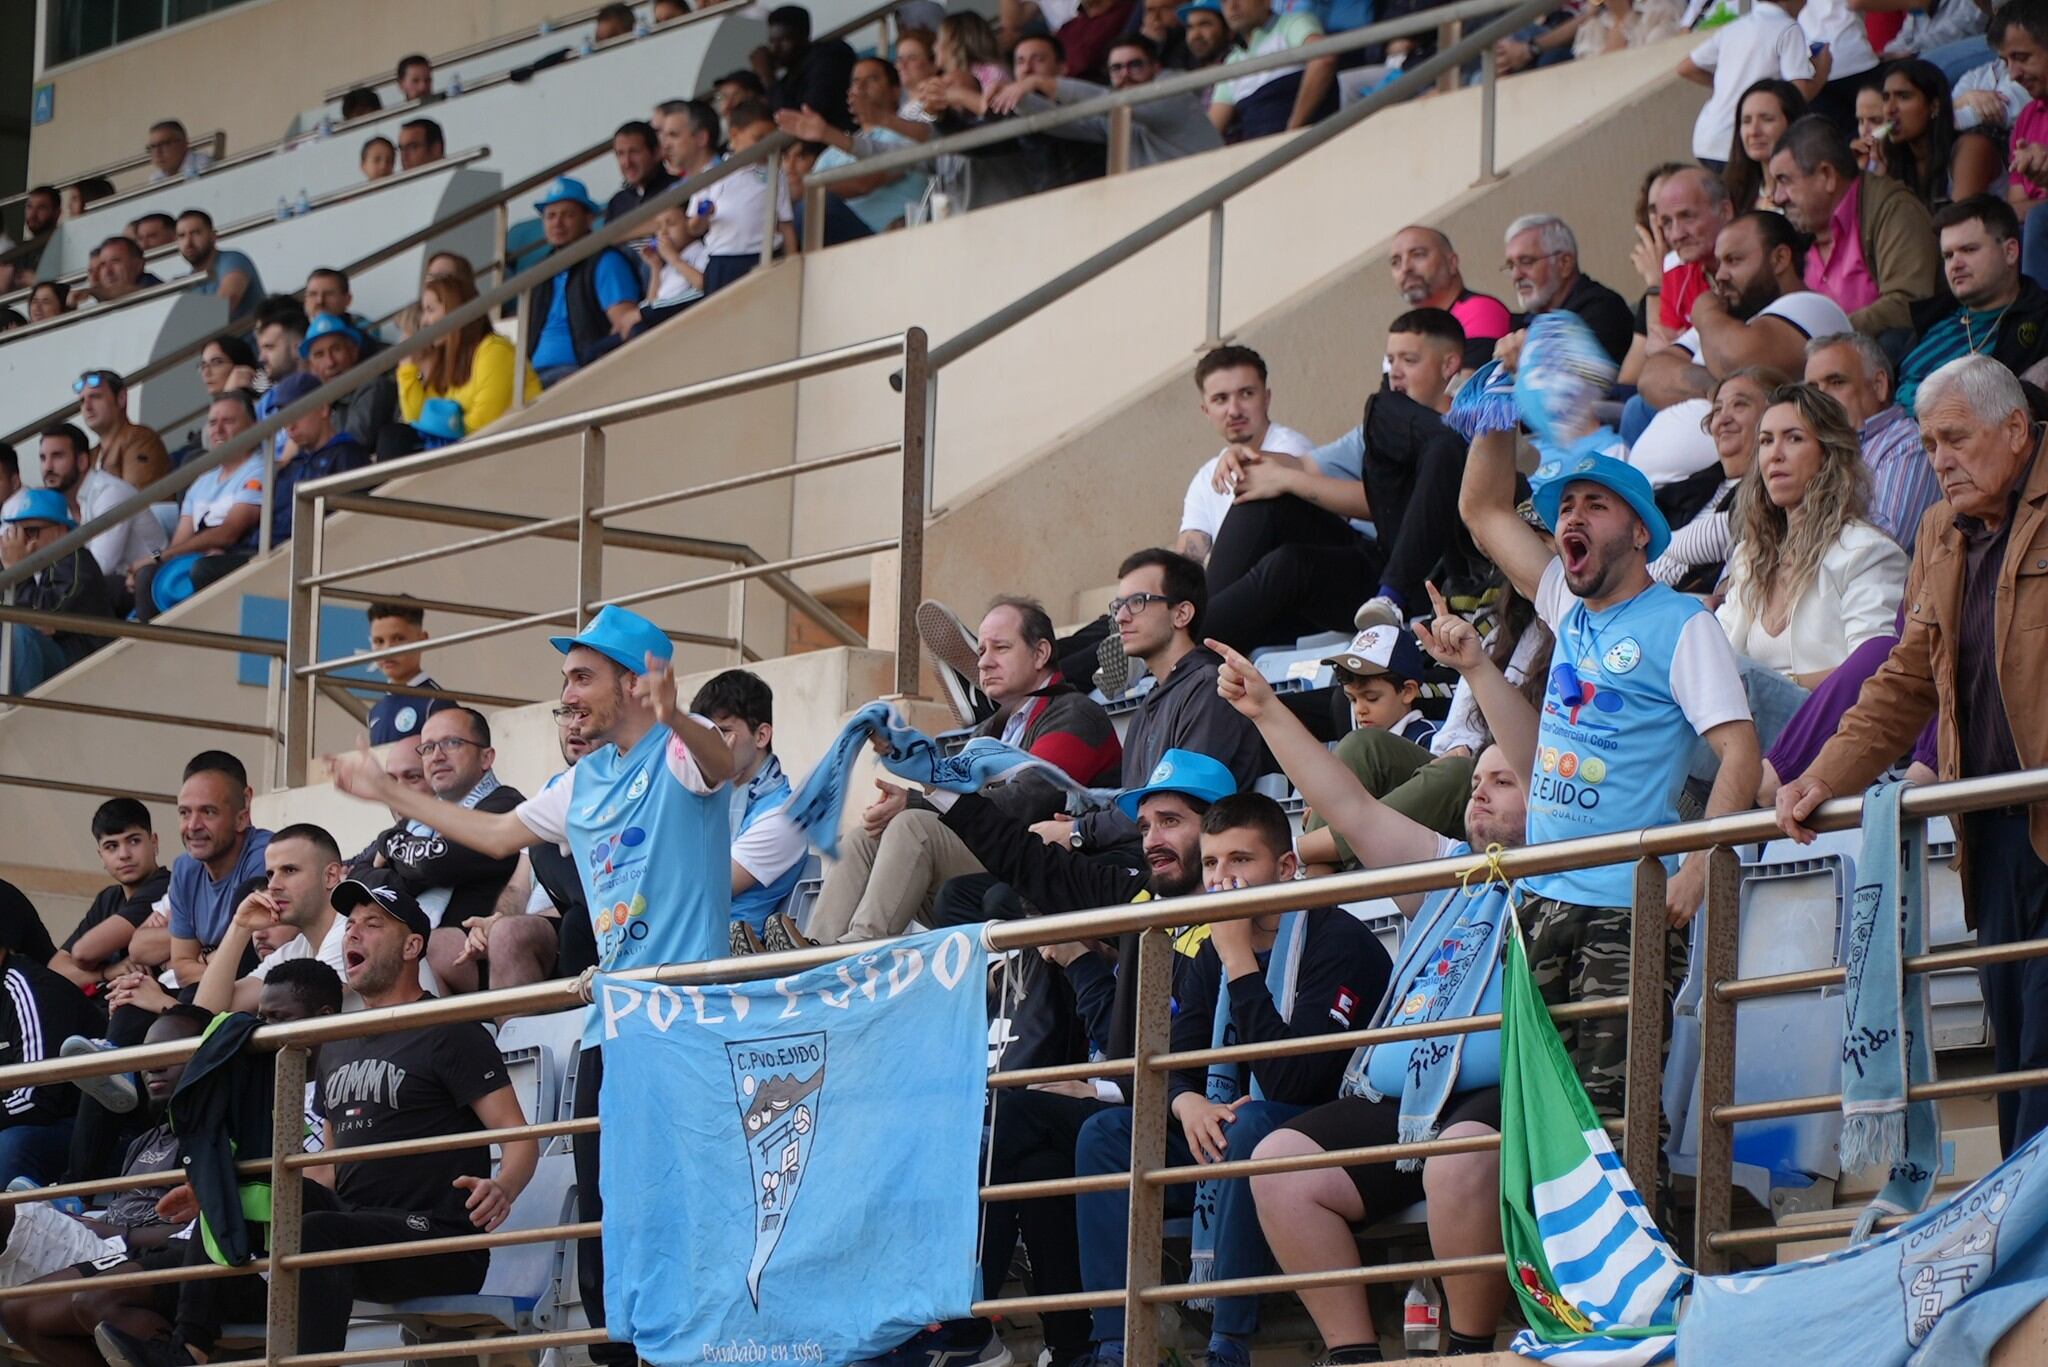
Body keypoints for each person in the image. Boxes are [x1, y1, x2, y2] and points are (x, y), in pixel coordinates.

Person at [326, 603, 736, 1367]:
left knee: (683, 1210)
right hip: (612, 1026)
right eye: (566, 678)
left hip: (686, 1027)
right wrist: (388, 791)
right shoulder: (581, 781)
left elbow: (725, 764)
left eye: (582, 675)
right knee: (606, 1215)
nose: (570, 691)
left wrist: (676, 710)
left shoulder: (676, 753)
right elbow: (490, 833)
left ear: (633, 681)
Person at [1215, 622, 1533, 1363]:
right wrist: (1266, 710)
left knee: (1458, 1159)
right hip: (1401, 1096)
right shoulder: (1451, 863)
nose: (1479, 790)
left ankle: (1466, 1349)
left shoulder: (1565, 868)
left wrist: (1480, 668)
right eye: (1476, 779)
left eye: (1502, 779)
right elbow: (1349, 807)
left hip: (1496, 1093)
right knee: (1280, 1162)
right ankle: (1353, 1354)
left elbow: (1546, 764)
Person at [95, 869, 540, 1364]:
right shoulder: (336, 1045)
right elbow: (326, 1172)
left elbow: (519, 1136)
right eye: (350, 922)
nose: (353, 932)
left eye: (373, 924)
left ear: (413, 946)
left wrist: (505, 1185)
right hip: (352, 1223)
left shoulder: (449, 1031)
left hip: (435, 1238)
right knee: (233, 1194)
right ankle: (190, 1350)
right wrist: (221, 1188)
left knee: (318, 1234)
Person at [1777, 354, 2048, 1154]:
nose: (1941, 460)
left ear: (2017, 429)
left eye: (1957, 438)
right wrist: (1821, 775)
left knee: (2041, 1050)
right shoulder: (1938, 529)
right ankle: (2020, 1254)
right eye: (1929, 444)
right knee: (2015, 1049)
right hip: (1988, 833)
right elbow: (1904, 680)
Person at [1459, 419, 1759, 1119]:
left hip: (1623, 910)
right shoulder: (1566, 604)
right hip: (1538, 902)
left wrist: (1699, 864)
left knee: (1615, 1124)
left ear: (1641, 532)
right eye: (1565, 506)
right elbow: (1482, 511)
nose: (1572, 516)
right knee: (1541, 1125)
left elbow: (1741, 750)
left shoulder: (1683, 624)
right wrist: (1494, 417)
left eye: (1594, 505)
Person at [797, 597, 1122, 947]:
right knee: (864, 837)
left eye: (1000, 648)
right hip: (995, 856)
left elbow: (1026, 802)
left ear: (1041, 653)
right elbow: (962, 794)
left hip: (1047, 863)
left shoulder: (1074, 714)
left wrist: (915, 804)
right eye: (981, 651)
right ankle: (810, 954)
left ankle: (856, 952)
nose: (983, 662)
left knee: (912, 827)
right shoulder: (991, 728)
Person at [1716, 383, 1909, 719]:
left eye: (1793, 438)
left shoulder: (1867, 553)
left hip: (1832, 739)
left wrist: (1772, 688)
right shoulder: (1750, 556)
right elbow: (1715, 659)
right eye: (1765, 441)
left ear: (1828, 455)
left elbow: (1874, 673)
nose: (1775, 454)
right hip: (1747, 740)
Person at [1056, 549, 1267, 854]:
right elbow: (1139, 804)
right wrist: (1080, 823)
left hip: (1186, 863)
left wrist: (1079, 831)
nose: (1120, 617)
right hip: (1144, 850)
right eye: (1118, 605)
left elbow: (1175, 807)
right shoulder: (1151, 702)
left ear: (1182, 614)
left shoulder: (1209, 688)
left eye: (1137, 602)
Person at [1633, 211, 1854, 486]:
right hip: (1675, 497)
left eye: (1734, 261)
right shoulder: (1725, 323)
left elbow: (1733, 360)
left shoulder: (1811, 307)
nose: (1721, 275)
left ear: (1780, 259)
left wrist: (1702, 311)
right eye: (1719, 263)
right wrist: (1726, 390)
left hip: (1735, 492)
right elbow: (1651, 377)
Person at [367, 707, 525, 983]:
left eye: (452, 743)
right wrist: (405, 868)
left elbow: (434, 864)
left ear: (486, 757)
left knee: (418, 949)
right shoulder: (418, 820)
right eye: (427, 748)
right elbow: (363, 878)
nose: (437, 756)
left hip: (476, 960)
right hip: (428, 960)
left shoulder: (505, 806)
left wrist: (389, 843)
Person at [1769, 114, 1941, 333]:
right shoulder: (1797, 234)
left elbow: (1908, 303)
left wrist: (1822, 339)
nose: (1777, 197)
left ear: (1827, 175)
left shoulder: (1895, 210)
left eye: (1785, 181)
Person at [687, 671, 811, 950]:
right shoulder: (708, 794)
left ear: (761, 735)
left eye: (724, 732)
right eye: (705, 734)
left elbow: (699, 889)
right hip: (684, 945)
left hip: (722, 955)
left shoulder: (785, 818)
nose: (711, 745)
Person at [1896, 195, 2048, 412]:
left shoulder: (2041, 320)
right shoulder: (1934, 317)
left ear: (2010, 252)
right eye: (1948, 255)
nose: (1955, 265)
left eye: (1969, 250)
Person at [1177, 345, 1319, 568]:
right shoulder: (1204, 477)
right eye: (1221, 399)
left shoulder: (1292, 451)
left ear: (1266, 398)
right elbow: (1187, 563)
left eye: (1246, 394)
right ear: (1206, 411)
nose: (1234, 410)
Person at [1803, 331, 1943, 550]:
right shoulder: (1811, 448)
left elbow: (1883, 544)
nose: (1820, 398)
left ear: (1878, 385)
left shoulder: (1906, 445)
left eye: (1836, 382)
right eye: (1812, 389)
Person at [129, 392, 263, 621]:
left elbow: (229, 533)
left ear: (252, 427)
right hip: (199, 560)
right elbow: (180, 542)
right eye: (212, 423)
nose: (218, 430)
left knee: (198, 568)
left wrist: (161, 557)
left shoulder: (260, 469)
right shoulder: (202, 481)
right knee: (148, 575)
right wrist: (158, 561)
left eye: (228, 421)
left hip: (239, 557)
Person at [1649, 366, 1785, 589]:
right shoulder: (1693, 485)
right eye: (1717, 409)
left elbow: (1704, 541)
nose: (1723, 419)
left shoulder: (1770, 492)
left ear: (1774, 415)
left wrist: (1646, 545)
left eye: (1739, 404)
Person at [776, 59, 933, 240]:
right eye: (856, 81)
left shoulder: (907, 132)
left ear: (895, 91)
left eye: (872, 79)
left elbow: (865, 181)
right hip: (839, 242)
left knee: (817, 205)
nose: (861, 86)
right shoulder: (831, 153)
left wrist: (809, 188)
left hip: (886, 236)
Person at [161, 752, 272, 989]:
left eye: (208, 812)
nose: (193, 826)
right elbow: (181, 968)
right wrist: (217, 960)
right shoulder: (185, 867)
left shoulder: (267, 855)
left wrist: (202, 958)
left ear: (241, 819)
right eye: (184, 813)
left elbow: (248, 964)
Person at [396, 273, 538, 449]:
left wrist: (441, 430)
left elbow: (483, 422)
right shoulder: (449, 359)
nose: (424, 321)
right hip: (468, 449)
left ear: (455, 310)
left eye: (431, 310)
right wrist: (407, 367)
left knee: (396, 440)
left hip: (508, 446)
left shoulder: (495, 351)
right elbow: (418, 417)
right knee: (395, 436)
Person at [523, 177, 641, 386]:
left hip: (577, 374)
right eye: (551, 216)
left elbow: (627, 323)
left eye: (568, 215)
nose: (557, 223)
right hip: (531, 378)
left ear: (588, 219)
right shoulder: (539, 272)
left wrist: (592, 371)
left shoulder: (606, 261)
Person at [1678, 0, 1824, 166]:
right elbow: (1799, 95)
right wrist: (1822, 72)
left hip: (1707, 139)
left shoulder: (1732, 29)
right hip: (1743, 143)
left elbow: (1686, 68)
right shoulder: (1787, 28)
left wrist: (1727, 84)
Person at [49, 799, 171, 993]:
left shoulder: (166, 888)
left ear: (154, 842)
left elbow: (82, 952)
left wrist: (93, 974)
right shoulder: (108, 898)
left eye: (133, 841)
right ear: (101, 856)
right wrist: (106, 973)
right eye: (111, 846)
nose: (124, 854)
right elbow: (56, 969)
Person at [35, 423, 166, 597]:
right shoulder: (58, 505)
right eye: (43, 458)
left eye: (57, 456)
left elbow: (100, 566)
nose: (48, 467)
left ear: (82, 462)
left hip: (152, 581)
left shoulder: (111, 493)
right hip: (112, 586)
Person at [0, 491, 113, 692]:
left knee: (20, 635)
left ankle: (18, 717)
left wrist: (17, 573)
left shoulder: (77, 560)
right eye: (18, 532)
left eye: (32, 531)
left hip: (85, 660)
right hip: (52, 653)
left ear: (60, 531)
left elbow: (45, 619)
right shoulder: (36, 563)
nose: (24, 541)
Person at [1500, 214, 1636, 368]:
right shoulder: (1523, 324)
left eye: (1526, 262)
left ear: (1564, 263)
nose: (1516, 275)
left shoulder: (1603, 310)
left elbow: (1573, 384)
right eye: (1511, 266)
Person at [688, 103, 796, 294]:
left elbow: (786, 223)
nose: (766, 146)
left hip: (766, 257)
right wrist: (702, 216)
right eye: (759, 138)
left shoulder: (776, 174)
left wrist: (793, 263)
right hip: (723, 261)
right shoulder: (711, 174)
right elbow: (694, 228)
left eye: (771, 139)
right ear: (735, 134)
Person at [1388, 225, 1513, 371]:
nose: (1405, 268)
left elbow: (1467, 387)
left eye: (1418, 255)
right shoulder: (1405, 330)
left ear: (1452, 263)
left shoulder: (1479, 309)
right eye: (1396, 262)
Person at [1207, 0, 1336, 141]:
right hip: (1261, 155)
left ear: (1267, 2)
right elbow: (1212, 127)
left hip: (1307, 146)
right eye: (1224, 1)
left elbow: (1323, 58)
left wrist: (1293, 130)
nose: (1232, 6)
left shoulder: (1291, 23)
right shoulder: (1232, 61)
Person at [265, 371, 370, 544]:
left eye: (296, 413)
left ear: (323, 408)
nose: (289, 426)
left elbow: (346, 526)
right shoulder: (288, 467)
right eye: (284, 416)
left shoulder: (348, 454)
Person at [1651, 166, 1736, 336]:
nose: (1676, 235)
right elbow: (1661, 348)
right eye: (1667, 223)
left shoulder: (1757, 257)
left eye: (1687, 217)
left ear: (1725, 211)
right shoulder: (1675, 271)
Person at [1322, 624, 1436, 745]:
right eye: (1352, 699)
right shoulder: (1361, 739)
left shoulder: (1425, 742)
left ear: (1407, 691)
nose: (1360, 710)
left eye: (1372, 698)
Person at [300, 313, 399, 451]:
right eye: (319, 355)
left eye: (336, 349)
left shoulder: (374, 387)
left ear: (353, 351)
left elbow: (353, 445)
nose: (330, 362)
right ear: (311, 366)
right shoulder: (314, 405)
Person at [754, 5, 859, 131]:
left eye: (784, 40)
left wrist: (767, 77)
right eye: (772, 41)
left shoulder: (830, 57)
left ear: (804, 37)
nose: (775, 49)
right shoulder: (789, 76)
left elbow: (803, 116)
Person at [365, 599, 455, 745]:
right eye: (379, 641)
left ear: (422, 640)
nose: (387, 650)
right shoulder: (374, 712)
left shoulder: (436, 702)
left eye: (399, 638)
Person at [76, 370, 170, 493]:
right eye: (82, 401)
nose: (87, 407)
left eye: (95, 397)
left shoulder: (141, 439)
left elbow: (133, 501)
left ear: (121, 398)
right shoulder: (93, 454)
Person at [1726, 78, 1809, 213]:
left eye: (1767, 119)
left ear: (1793, 123)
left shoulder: (1811, 191)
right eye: (1746, 121)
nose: (1753, 131)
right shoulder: (1733, 194)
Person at [171, 210, 262, 324]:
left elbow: (222, 307)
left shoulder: (233, 260)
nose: (188, 242)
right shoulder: (188, 282)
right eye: (182, 236)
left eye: (196, 233)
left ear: (213, 236)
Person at [606, 120, 677, 222]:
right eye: (620, 154)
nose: (627, 162)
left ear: (657, 152)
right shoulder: (617, 202)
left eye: (634, 152)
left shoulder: (678, 189)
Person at [76, 237, 159, 307]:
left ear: (139, 265)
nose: (108, 272)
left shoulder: (151, 284)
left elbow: (131, 291)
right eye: (103, 265)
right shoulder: (95, 300)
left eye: (115, 261)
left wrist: (92, 291)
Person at [195, 335, 259, 402]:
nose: (206, 373)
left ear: (240, 365)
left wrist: (229, 395)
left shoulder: (262, 406)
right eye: (203, 365)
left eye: (216, 362)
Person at [143, 121, 212, 182]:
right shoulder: (156, 178)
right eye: (153, 147)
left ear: (184, 143)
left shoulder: (204, 165)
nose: (157, 152)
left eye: (164, 144)